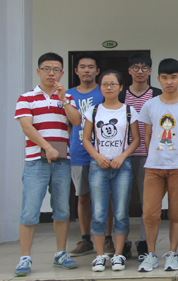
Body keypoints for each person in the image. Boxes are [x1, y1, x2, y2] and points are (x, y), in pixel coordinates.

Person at [14, 52, 82, 276]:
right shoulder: (26, 97)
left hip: (62, 162)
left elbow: (76, 121)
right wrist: (47, 147)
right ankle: (25, 258)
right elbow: (27, 127)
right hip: (36, 162)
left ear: (62, 73)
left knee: (62, 210)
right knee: (29, 211)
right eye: (46, 69)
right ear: (38, 71)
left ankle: (61, 253)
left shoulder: (67, 97)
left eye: (56, 70)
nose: (51, 73)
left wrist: (63, 100)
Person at [137, 59, 178, 272]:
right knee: (150, 213)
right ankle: (151, 254)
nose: (169, 82)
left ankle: (172, 253)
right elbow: (147, 136)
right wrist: (156, 155)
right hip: (154, 167)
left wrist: (176, 152)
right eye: (164, 78)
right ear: (158, 79)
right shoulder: (150, 105)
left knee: (177, 213)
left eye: (173, 77)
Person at [82, 70, 140, 272]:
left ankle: (118, 254)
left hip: (122, 167)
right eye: (105, 84)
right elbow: (86, 139)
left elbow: (136, 140)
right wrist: (97, 157)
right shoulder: (93, 111)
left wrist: (122, 156)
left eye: (113, 84)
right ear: (100, 87)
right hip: (98, 167)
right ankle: (99, 256)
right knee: (99, 212)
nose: (109, 87)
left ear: (121, 87)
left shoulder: (129, 111)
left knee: (121, 212)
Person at [118, 53, 162, 260]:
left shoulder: (157, 94)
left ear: (150, 71)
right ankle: (123, 243)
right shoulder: (121, 95)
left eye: (144, 68)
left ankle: (145, 242)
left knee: (148, 202)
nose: (140, 72)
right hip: (123, 156)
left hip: (149, 156)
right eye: (135, 67)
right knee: (122, 200)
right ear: (129, 71)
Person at [67, 52, 104, 258]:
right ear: (76, 71)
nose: (87, 70)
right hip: (78, 153)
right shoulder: (68, 95)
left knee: (106, 196)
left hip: (102, 154)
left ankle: (107, 237)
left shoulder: (104, 90)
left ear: (97, 71)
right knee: (82, 197)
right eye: (82, 66)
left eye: (91, 67)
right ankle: (85, 239)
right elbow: (65, 124)